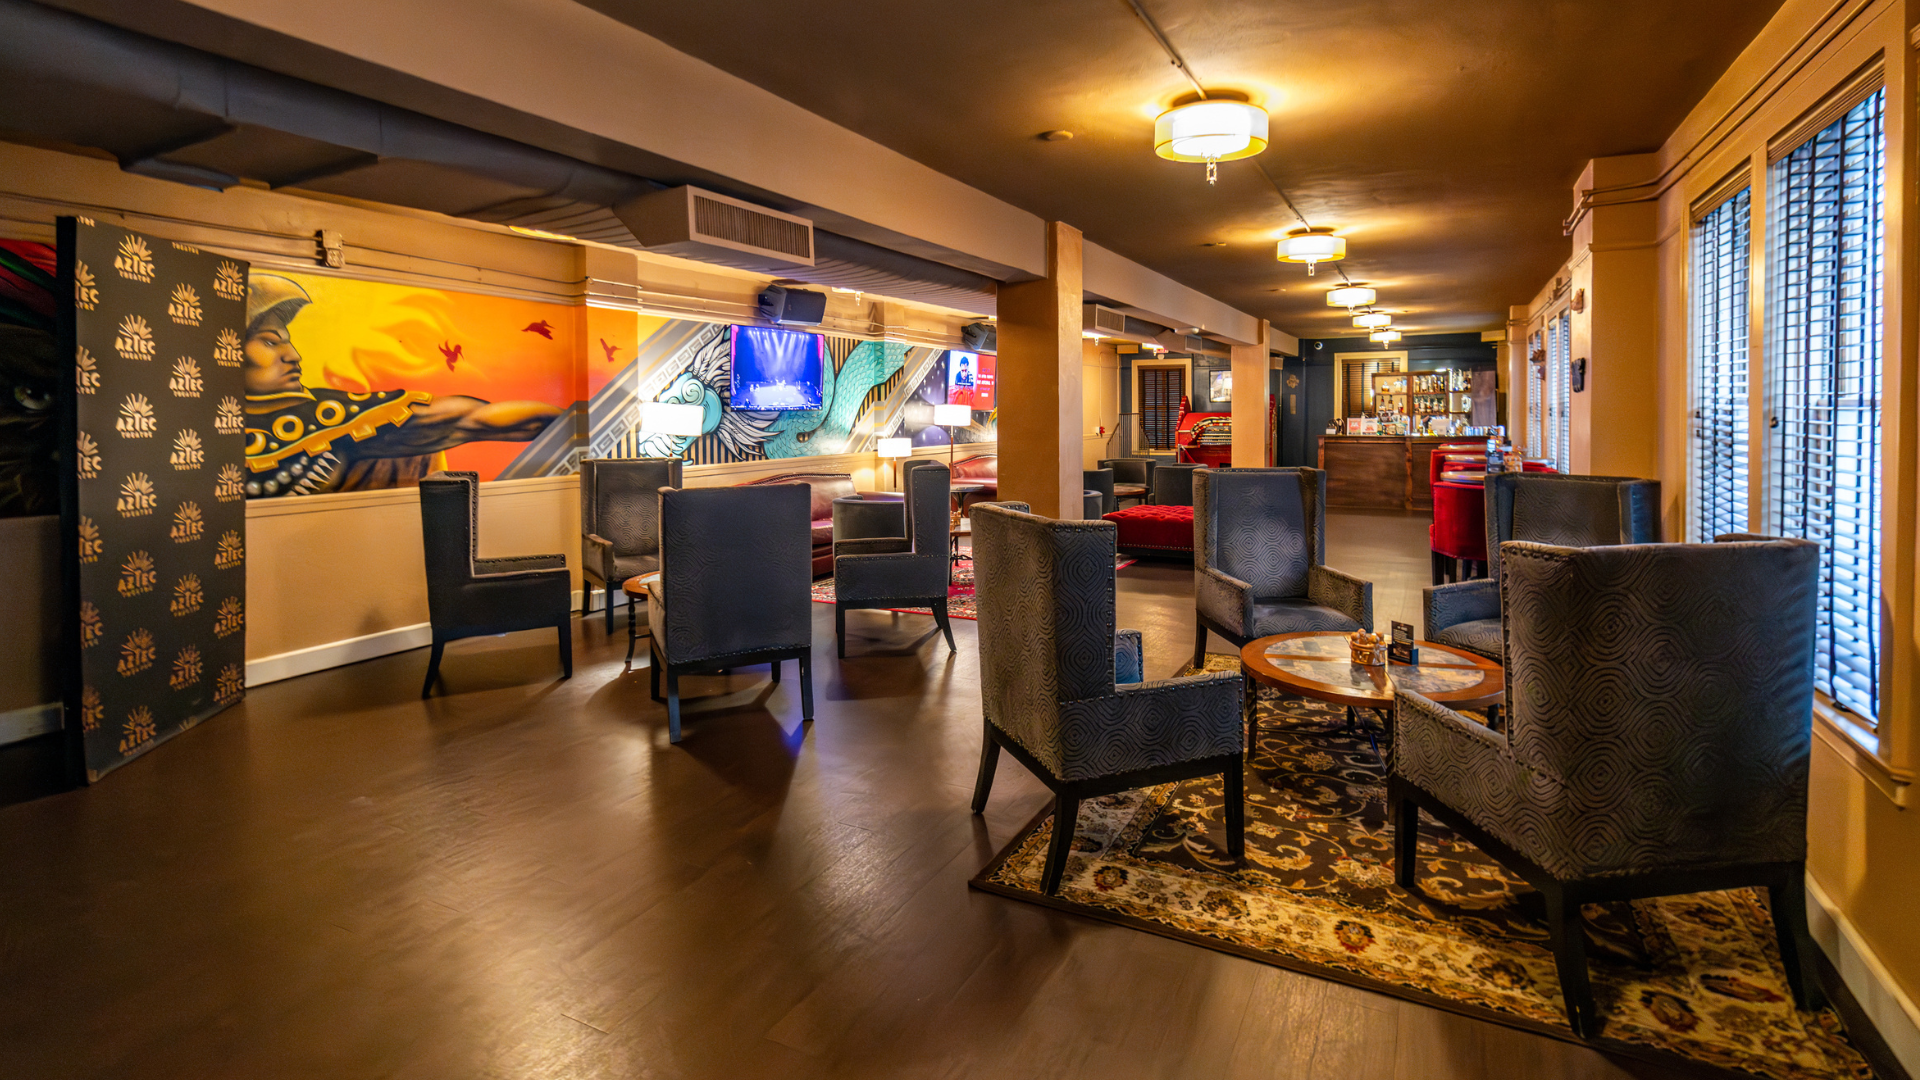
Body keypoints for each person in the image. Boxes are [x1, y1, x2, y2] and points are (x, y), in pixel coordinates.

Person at [242, 274, 560, 497]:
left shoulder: (328, 415)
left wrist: (572, 424)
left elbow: (470, 420)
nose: (293, 355)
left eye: (287, 342)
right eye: (270, 342)